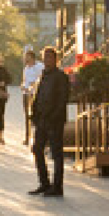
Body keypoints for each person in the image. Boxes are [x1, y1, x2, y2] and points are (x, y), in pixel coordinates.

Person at [29, 46, 69, 198]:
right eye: (45, 58)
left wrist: (54, 116)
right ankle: (44, 183)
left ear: (55, 59)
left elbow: (62, 100)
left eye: (50, 57)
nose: (47, 60)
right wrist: (34, 114)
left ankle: (57, 186)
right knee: (37, 149)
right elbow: (37, 96)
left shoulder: (60, 76)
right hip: (42, 120)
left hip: (54, 121)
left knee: (56, 153)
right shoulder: (43, 75)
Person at [20, 49, 42, 146]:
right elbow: (25, 80)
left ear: (32, 57)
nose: (25, 60)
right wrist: (23, 86)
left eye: (27, 58)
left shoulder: (39, 66)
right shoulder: (26, 68)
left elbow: (41, 79)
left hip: (35, 94)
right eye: (25, 58)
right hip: (26, 94)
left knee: (36, 116)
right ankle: (27, 137)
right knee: (27, 116)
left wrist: (33, 85)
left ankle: (37, 137)